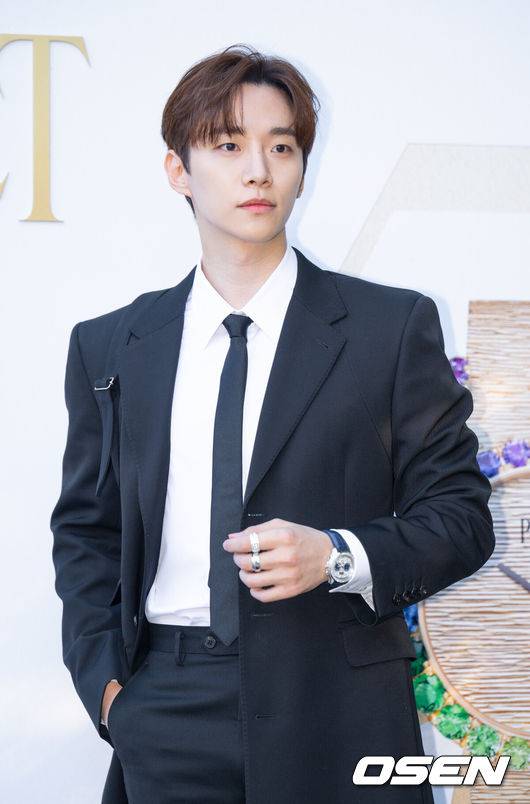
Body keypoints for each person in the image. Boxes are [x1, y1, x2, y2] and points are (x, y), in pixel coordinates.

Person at [50, 43, 495, 804]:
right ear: (178, 170)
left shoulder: (389, 329)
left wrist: (338, 555)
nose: (258, 170)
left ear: (301, 167)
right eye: (228, 146)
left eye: (280, 147)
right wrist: (111, 693)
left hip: (340, 704)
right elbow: (88, 532)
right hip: (165, 705)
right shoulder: (111, 345)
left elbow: (460, 518)